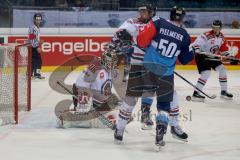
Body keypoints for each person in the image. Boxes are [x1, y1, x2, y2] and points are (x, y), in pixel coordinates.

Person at [114, 6, 194, 147]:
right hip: (148, 66)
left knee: (171, 97)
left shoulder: (158, 22)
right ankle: (123, 128)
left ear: (153, 13)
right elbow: (119, 37)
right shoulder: (183, 34)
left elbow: (141, 41)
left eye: (146, 11)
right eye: (142, 11)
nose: (143, 13)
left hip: (146, 66)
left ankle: (172, 126)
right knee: (139, 99)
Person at [72, 45, 119, 128]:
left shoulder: (112, 71)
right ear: (106, 60)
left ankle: (97, 110)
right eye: (112, 60)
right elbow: (79, 84)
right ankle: (82, 111)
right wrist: (84, 101)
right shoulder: (95, 68)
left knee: (116, 102)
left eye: (115, 60)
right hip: (89, 99)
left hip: (99, 100)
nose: (114, 63)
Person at [191, 20, 233, 101]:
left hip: (213, 57)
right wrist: (197, 48)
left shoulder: (222, 37)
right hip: (202, 56)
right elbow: (196, 44)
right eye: (214, 27)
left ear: (220, 28)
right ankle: (196, 93)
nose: (215, 29)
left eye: (217, 27)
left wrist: (230, 57)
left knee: (223, 70)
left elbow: (224, 51)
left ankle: (224, 91)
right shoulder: (206, 35)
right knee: (206, 73)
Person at [28, 13, 45, 79]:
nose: (38, 21)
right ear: (34, 20)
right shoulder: (32, 28)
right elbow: (31, 38)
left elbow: (34, 38)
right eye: (37, 19)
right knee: (38, 61)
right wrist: (37, 46)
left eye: (39, 20)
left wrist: (39, 42)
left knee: (34, 61)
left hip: (34, 46)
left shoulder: (37, 28)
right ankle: (36, 74)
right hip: (33, 47)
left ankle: (30, 74)